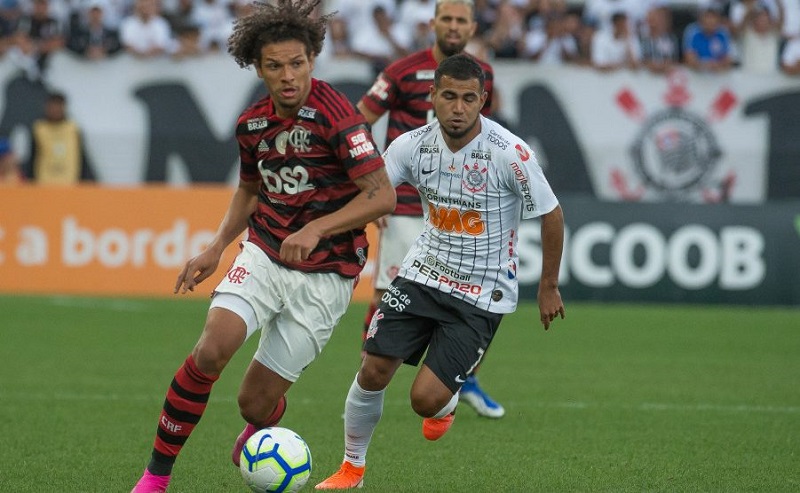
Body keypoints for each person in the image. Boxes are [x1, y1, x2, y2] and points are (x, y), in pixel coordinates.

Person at [130, 0, 396, 491]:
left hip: (328, 274)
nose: (287, 76)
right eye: (275, 66)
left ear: (312, 60)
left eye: (296, 63)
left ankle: (257, 426)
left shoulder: (338, 118)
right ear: (258, 67)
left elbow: (382, 196)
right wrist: (216, 247)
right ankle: (155, 478)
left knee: (254, 403)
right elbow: (249, 191)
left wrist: (317, 229)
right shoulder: (252, 124)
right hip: (265, 253)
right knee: (211, 350)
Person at [315, 53, 565, 490]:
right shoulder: (411, 145)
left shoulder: (509, 153)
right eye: (449, 96)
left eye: (469, 98)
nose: (458, 107)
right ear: (432, 96)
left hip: (481, 293)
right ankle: (351, 469)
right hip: (422, 274)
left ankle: (445, 403)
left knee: (424, 401)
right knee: (372, 370)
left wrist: (548, 286)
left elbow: (551, 213)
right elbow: (373, 188)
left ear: (483, 100)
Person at [356, 0, 505, 419]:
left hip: (461, 204)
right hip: (405, 202)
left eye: (461, 20)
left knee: (473, 295)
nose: (454, 26)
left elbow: (486, 135)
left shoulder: (482, 72)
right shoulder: (401, 71)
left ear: (472, 27)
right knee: (389, 295)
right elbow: (359, 121)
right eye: (447, 19)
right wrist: (374, 186)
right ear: (433, 23)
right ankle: (369, 377)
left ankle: (461, 378)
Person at [25, 91, 94, 184]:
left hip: (70, 183)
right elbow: (33, 157)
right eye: (52, 106)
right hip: (44, 183)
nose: (55, 110)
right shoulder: (39, 129)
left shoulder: (73, 129)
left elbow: (82, 157)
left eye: (58, 106)